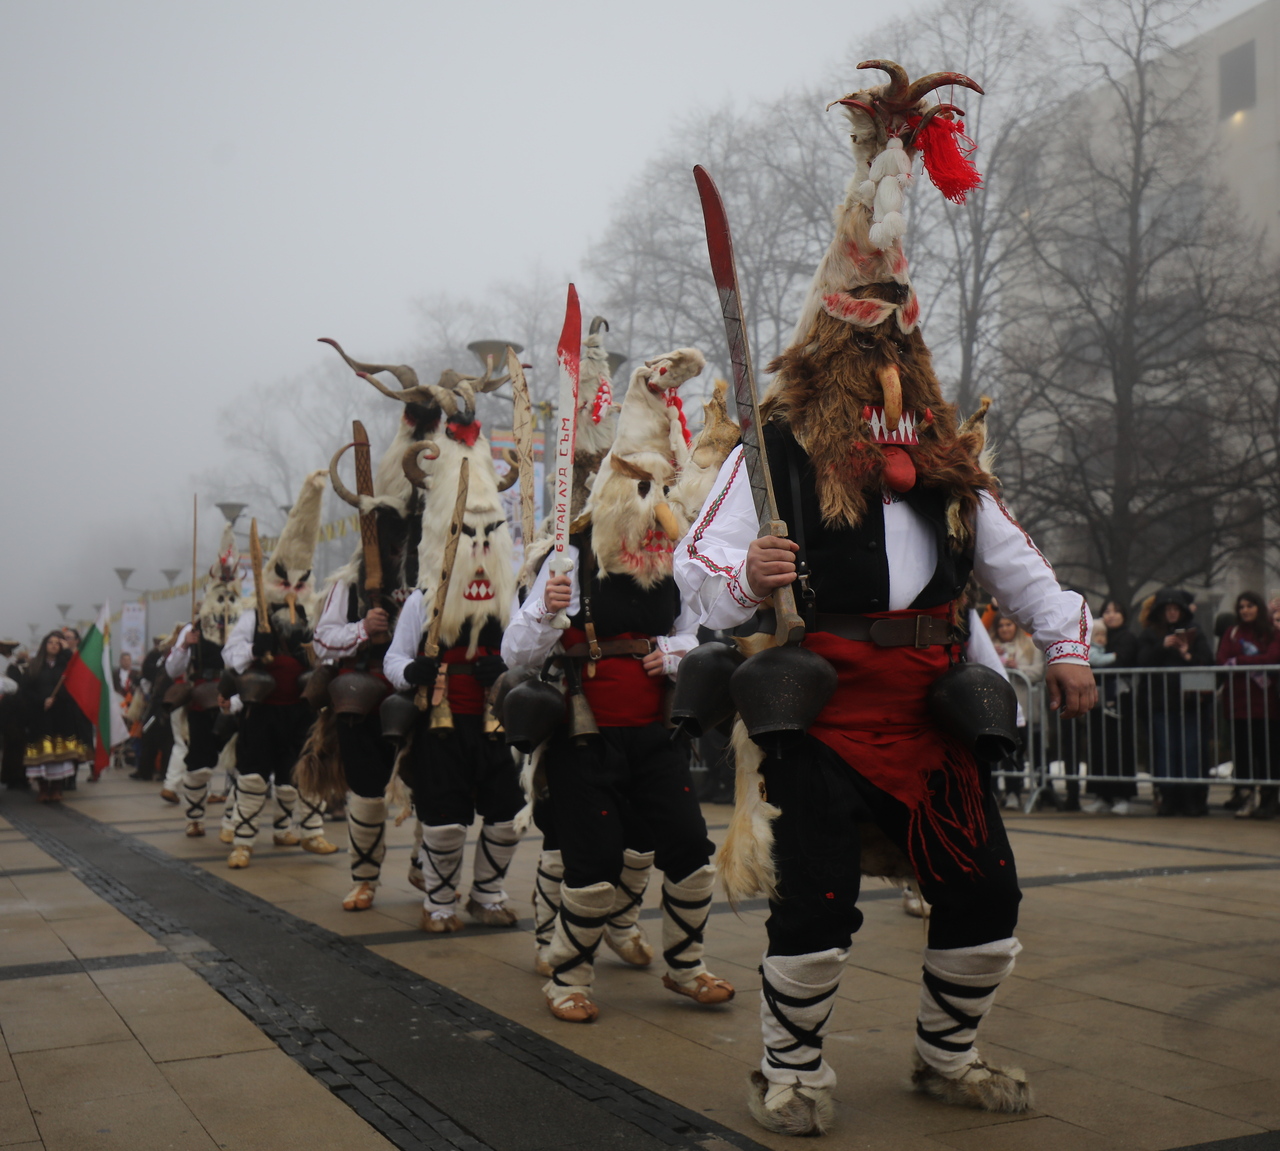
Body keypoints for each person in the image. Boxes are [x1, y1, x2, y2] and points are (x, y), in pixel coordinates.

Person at [674, 62, 1096, 1136]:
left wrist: (1065, 644)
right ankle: (790, 1067)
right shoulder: (774, 441)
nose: (885, 360)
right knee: (813, 907)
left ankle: (942, 1054)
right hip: (820, 708)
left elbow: (1017, 563)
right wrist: (745, 577)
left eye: (897, 338)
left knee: (984, 900)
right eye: (866, 338)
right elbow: (697, 567)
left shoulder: (949, 457)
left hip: (927, 705)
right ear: (833, 344)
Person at [504, 345, 738, 1025]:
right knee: (595, 860)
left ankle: (686, 966)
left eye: (661, 490)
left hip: (657, 736)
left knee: (692, 851)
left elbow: (703, 629)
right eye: (641, 490)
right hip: (587, 738)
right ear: (609, 492)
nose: (655, 508)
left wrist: (674, 650)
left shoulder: (674, 562)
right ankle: (569, 975)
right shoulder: (569, 556)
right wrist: (546, 606)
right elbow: (515, 651)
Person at [383, 372, 524, 933]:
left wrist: (509, 669)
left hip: (493, 723)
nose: (482, 546)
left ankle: (487, 895)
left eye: (490, 534)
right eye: (470, 534)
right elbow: (394, 661)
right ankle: (439, 902)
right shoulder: (423, 602)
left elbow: (529, 655)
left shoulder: (511, 602)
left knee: (507, 818)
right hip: (440, 722)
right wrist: (413, 669)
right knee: (442, 821)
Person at [222, 471, 336, 866]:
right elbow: (231, 653)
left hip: (301, 708)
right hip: (264, 708)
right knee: (253, 777)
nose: (294, 587)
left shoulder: (314, 612)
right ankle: (243, 841)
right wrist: (255, 648)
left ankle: (311, 833)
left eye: (301, 579)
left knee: (305, 771)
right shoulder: (256, 614)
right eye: (288, 579)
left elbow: (328, 649)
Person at [165, 528, 244, 837]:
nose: (225, 596)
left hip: (236, 698)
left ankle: (233, 818)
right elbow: (173, 669)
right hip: (202, 697)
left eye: (230, 589)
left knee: (239, 759)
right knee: (199, 759)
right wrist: (186, 645)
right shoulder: (193, 627)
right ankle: (195, 816)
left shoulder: (246, 623)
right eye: (220, 589)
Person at [1136, 588, 1214, 816]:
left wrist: (1187, 654)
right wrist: (1162, 646)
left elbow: (1208, 661)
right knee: (1166, 750)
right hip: (1161, 703)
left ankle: (1191, 797)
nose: (1171, 613)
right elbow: (1141, 662)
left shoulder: (1195, 632)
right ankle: (1168, 796)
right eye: (1167, 609)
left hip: (1190, 704)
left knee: (1190, 750)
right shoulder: (1151, 634)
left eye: (1175, 609)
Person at [1216, 591, 1280, 820]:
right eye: (1241, 606)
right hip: (1237, 704)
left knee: (1266, 755)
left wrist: (1241, 661)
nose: (1245, 610)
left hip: (1265, 705)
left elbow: (1272, 658)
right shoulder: (1232, 633)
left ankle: (1269, 798)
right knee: (1242, 755)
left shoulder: (1271, 632)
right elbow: (1222, 659)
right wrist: (1239, 662)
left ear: (1258, 607)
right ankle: (1246, 797)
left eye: (1250, 606)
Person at [1081, 600, 1140, 814]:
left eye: (1116, 611)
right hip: (1098, 697)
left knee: (1119, 746)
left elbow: (1122, 661)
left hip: (1119, 699)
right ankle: (1101, 794)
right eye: (1107, 611)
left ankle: (1122, 795)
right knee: (1098, 746)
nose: (1111, 615)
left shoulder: (1127, 637)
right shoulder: (1096, 636)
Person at [21, 632, 90, 800]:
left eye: (57, 643)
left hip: (62, 717)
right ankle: (43, 788)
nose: (53, 645)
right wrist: (41, 701)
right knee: (42, 757)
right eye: (50, 642)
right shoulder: (34, 666)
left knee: (60, 757)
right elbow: (25, 690)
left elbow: (76, 682)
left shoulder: (65, 665)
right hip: (40, 718)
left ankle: (57, 788)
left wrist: (67, 650)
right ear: (44, 645)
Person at [989, 615, 1043, 809]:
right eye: (1001, 625)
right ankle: (993, 792)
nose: (1004, 629)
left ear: (1016, 626)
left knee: (1017, 752)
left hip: (1023, 707)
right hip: (996, 709)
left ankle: (1014, 792)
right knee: (993, 753)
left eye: (1008, 624)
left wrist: (1018, 668)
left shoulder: (1029, 645)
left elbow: (1039, 671)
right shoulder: (989, 646)